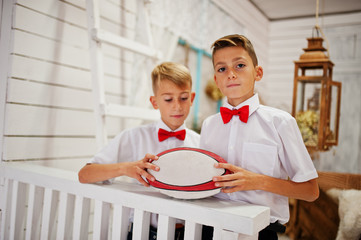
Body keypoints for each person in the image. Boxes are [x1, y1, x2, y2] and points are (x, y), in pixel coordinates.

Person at [200, 34, 319, 240]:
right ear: (216, 80)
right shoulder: (209, 125)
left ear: (258, 73)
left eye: (239, 65)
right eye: (222, 69)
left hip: (261, 232)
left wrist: (257, 181)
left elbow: (310, 191)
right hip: (210, 228)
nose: (231, 74)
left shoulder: (281, 122)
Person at [78, 62, 200, 240]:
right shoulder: (134, 137)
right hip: (140, 233)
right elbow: (85, 174)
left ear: (192, 98)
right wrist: (125, 168)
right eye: (168, 99)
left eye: (183, 98)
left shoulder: (201, 143)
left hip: (188, 234)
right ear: (154, 102)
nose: (177, 106)